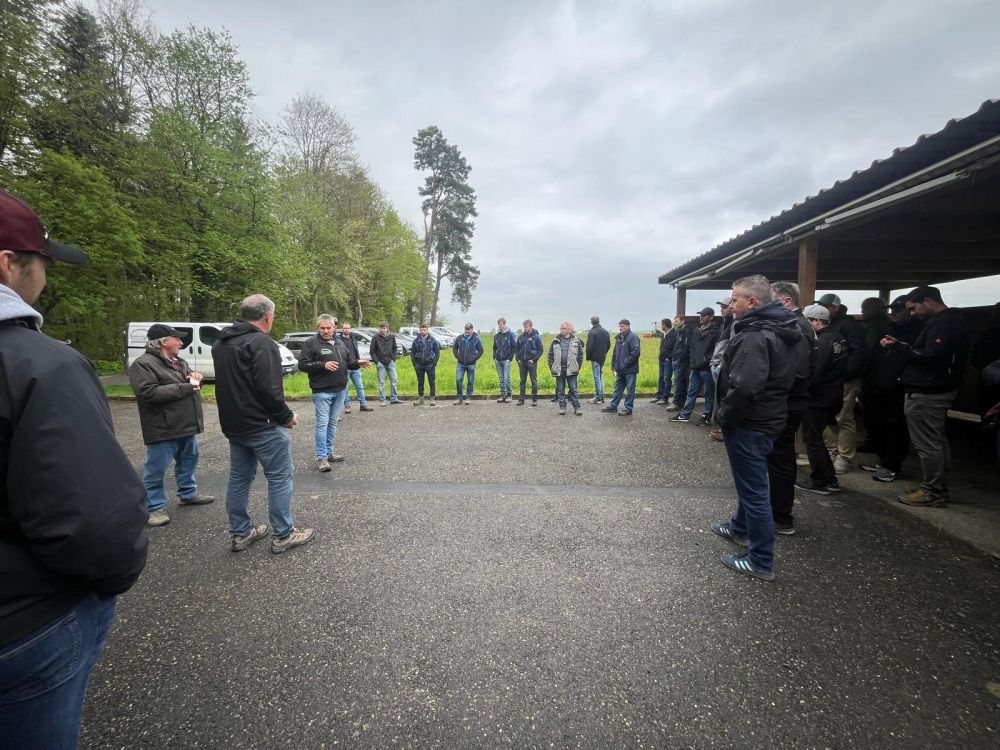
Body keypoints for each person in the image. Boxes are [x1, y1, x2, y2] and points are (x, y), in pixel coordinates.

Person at [0, 189, 148, 745]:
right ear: (8, 264)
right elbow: (96, 522)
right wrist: (112, 578)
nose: (44, 277)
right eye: (41, 262)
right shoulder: (38, 364)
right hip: (23, 626)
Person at [710, 274, 800, 581]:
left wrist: (725, 415)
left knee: (755, 492)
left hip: (750, 423)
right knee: (752, 484)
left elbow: (745, 387)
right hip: (768, 418)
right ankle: (740, 528)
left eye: (735, 299)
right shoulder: (780, 329)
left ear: (752, 301)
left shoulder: (755, 335)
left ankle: (760, 559)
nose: (731, 305)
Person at [213, 294, 315, 554]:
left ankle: (241, 532)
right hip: (263, 425)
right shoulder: (261, 344)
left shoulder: (222, 343)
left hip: (234, 425)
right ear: (267, 317)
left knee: (239, 479)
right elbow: (269, 389)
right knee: (280, 478)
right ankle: (284, 534)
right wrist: (285, 416)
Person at [883, 286, 971, 507]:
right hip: (930, 389)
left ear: (928, 301)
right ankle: (934, 486)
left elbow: (932, 356)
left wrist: (900, 347)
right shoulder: (944, 322)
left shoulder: (946, 323)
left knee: (929, 444)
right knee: (936, 442)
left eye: (913, 308)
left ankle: (932, 491)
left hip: (929, 391)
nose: (912, 314)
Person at [129, 323, 214, 527]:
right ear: (163, 341)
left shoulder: (178, 361)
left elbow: (193, 380)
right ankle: (153, 507)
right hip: (163, 427)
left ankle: (188, 494)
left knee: (188, 460)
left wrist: (197, 378)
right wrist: (186, 387)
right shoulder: (143, 364)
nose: (181, 342)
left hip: (185, 424)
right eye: (177, 339)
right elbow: (147, 393)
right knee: (156, 468)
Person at [767, 282, 816, 532]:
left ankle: (780, 517)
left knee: (780, 458)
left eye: (771, 299)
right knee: (778, 457)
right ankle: (775, 511)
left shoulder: (795, 326)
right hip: (789, 400)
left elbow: (796, 371)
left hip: (786, 402)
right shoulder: (798, 324)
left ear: (786, 302)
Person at [859, 297, 924, 482]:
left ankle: (892, 466)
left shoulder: (917, 330)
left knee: (897, 427)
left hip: (899, 386)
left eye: (898, 309)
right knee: (877, 423)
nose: (894, 313)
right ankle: (883, 461)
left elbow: (917, 356)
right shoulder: (891, 327)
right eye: (892, 309)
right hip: (879, 384)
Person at [795, 304, 847, 495]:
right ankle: (829, 479)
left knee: (813, 439)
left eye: (807, 321)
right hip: (834, 393)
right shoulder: (838, 338)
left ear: (816, 321)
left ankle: (820, 481)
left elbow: (815, 371)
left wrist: (801, 389)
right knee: (817, 438)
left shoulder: (823, 341)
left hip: (819, 398)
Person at [815, 293, 867, 474]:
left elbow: (858, 352)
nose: (823, 308)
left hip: (845, 380)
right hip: (826, 380)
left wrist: (845, 374)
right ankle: (831, 450)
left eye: (826, 305)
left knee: (844, 417)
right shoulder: (827, 323)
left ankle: (844, 457)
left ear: (835, 308)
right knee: (824, 416)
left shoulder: (850, 325)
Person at [297, 314, 356, 472]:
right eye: (322, 328)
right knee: (322, 425)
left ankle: (330, 453)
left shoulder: (340, 342)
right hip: (322, 392)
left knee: (332, 423)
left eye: (328, 328)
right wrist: (322, 365)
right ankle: (322, 458)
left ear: (334, 327)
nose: (325, 331)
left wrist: (358, 364)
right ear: (318, 328)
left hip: (340, 390)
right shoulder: (311, 343)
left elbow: (349, 362)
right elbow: (302, 365)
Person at [670, 307, 719, 425]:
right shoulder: (696, 331)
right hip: (695, 368)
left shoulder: (716, 331)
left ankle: (706, 416)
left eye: (704, 315)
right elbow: (691, 347)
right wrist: (692, 361)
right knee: (691, 393)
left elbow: (715, 350)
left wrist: (706, 360)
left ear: (711, 317)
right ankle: (685, 414)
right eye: (700, 315)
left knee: (708, 394)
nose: (701, 317)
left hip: (706, 368)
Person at [707, 296, 736, 440]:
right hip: (717, 364)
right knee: (720, 397)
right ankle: (722, 427)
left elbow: (731, 347)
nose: (722, 309)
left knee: (725, 397)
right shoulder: (725, 323)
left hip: (722, 366)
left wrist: (719, 365)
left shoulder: (735, 324)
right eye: (721, 307)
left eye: (725, 307)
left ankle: (725, 429)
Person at [602, 319, 641, 416]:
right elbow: (615, 353)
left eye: (623, 326)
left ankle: (628, 408)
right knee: (618, 388)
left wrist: (626, 364)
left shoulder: (633, 337)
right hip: (620, 369)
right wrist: (613, 366)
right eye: (620, 326)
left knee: (630, 390)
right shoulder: (619, 338)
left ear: (628, 326)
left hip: (630, 370)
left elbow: (636, 353)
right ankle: (613, 406)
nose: (620, 328)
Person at [548, 321, 584, 415]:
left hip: (571, 369)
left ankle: (577, 407)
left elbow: (580, 355)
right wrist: (552, 366)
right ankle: (562, 407)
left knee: (573, 389)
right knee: (560, 390)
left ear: (569, 330)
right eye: (561, 328)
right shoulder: (555, 341)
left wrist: (577, 366)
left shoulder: (576, 341)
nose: (562, 330)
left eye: (564, 328)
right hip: (559, 370)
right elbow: (550, 355)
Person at [338, 322, 373, 413]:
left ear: (350, 329)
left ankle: (363, 405)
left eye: (348, 328)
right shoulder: (339, 341)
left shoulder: (353, 339)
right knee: (345, 388)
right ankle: (347, 406)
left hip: (355, 367)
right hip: (345, 367)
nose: (346, 330)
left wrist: (358, 361)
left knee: (360, 387)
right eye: (345, 328)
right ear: (342, 329)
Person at [370, 322, 401, 406]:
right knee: (381, 382)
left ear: (387, 329)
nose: (382, 329)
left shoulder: (392, 337)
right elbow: (372, 351)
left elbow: (395, 348)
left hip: (390, 362)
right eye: (381, 328)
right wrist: (377, 362)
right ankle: (383, 400)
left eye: (384, 328)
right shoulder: (375, 337)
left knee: (394, 381)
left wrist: (393, 359)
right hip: (380, 363)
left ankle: (394, 398)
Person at [453, 322, 484, 404]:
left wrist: (474, 358)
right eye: (466, 329)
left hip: (471, 364)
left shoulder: (476, 339)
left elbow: (481, 350)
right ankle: (459, 398)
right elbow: (455, 348)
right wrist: (457, 356)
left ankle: (468, 397)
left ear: (472, 330)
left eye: (468, 329)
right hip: (461, 364)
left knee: (470, 381)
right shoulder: (460, 338)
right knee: (458, 379)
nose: (467, 331)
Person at [410, 323, 440, 406]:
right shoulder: (416, 340)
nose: (423, 331)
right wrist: (415, 364)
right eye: (421, 330)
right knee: (420, 382)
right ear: (420, 330)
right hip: (419, 365)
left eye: (424, 330)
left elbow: (437, 352)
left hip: (430, 364)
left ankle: (432, 398)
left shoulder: (432, 340)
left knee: (431, 382)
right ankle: (421, 399)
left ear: (427, 330)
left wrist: (434, 363)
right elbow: (412, 353)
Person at [666, 314, 692, 411]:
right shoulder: (679, 331)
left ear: (683, 321)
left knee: (677, 382)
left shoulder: (687, 332)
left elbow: (686, 347)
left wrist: (679, 358)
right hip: (676, 359)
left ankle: (676, 402)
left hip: (681, 361)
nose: (675, 323)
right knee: (679, 381)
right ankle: (682, 401)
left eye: (676, 321)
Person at [516, 319, 543, 406]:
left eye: (527, 327)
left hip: (531, 362)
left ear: (531, 326)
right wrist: (518, 359)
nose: (525, 328)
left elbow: (540, 350)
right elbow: (517, 349)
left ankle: (534, 399)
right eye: (524, 327)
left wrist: (534, 360)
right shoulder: (521, 337)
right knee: (522, 381)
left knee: (533, 381)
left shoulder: (536, 337)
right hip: (522, 363)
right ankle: (521, 399)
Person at [585, 315, 611, 403]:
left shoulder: (592, 332)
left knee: (597, 377)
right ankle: (601, 396)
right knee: (600, 376)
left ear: (592, 322)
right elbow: (608, 345)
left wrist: (588, 357)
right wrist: (604, 353)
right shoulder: (605, 331)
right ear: (598, 321)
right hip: (602, 357)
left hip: (595, 358)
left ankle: (598, 397)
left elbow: (589, 347)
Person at [651, 318, 675, 405]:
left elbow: (674, 348)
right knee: (661, 379)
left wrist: (669, 357)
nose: (661, 326)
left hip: (667, 360)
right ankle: (659, 396)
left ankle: (665, 398)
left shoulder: (673, 334)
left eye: (662, 324)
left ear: (665, 325)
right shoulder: (664, 334)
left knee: (666, 379)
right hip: (662, 359)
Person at [493, 317, 517, 402]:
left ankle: (509, 395)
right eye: (498, 324)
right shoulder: (496, 336)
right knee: (501, 378)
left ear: (504, 324)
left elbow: (514, 347)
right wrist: (494, 357)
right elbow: (494, 348)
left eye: (501, 324)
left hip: (506, 360)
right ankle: (502, 395)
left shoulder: (510, 334)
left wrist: (510, 358)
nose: (499, 326)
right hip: (498, 360)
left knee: (507, 378)